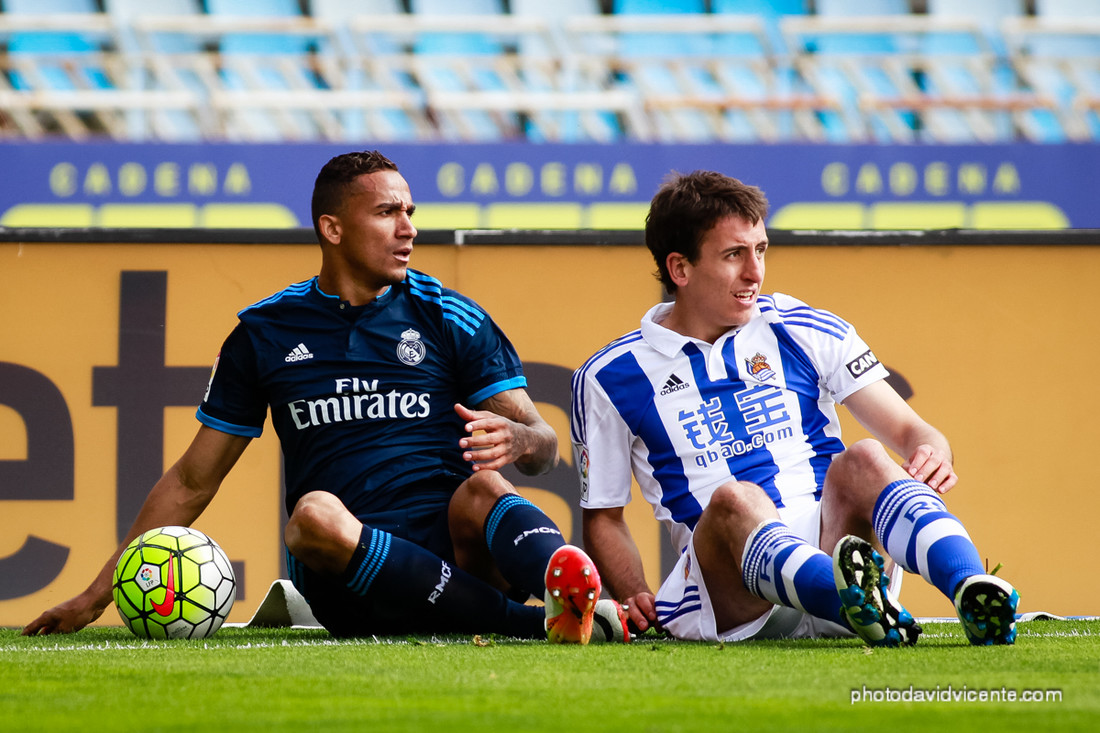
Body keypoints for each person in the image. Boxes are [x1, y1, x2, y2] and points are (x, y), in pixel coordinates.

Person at [24, 150, 627, 645]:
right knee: (311, 514)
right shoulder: (265, 332)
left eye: (411, 211)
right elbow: (191, 481)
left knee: (486, 488)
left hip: (460, 554)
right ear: (332, 228)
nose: (409, 228)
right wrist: (93, 596)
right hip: (350, 577)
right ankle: (539, 625)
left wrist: (522, 438)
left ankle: (580, 600)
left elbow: (544, 449)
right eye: (388, 212)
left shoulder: (448, 316)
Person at [571, 170, 1019, 646]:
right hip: (734, 600)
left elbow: (915, 432)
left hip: (842, 553)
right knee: (735, 498)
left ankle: (969, 585)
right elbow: (603, 516)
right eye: (734, 255)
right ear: (680, 269)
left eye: (760, 250)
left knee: (866, 457)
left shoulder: (803, 327)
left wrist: (933, 451)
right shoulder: (609, 376)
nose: (755, 272)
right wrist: (635, 593)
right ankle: (848, 604)